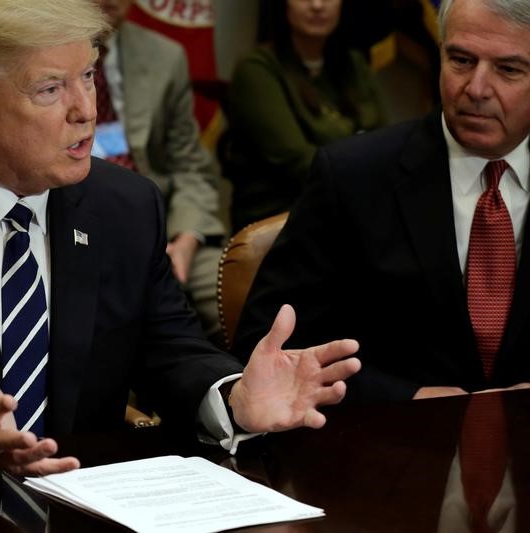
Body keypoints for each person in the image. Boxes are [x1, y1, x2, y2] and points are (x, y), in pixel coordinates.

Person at [0, 0, 360, 483]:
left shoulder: (124, 205)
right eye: (50, 89)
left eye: (87, 76)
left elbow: (168, 349)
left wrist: (230, 396)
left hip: (80, 497)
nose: (86, 109)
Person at [233, 0, 530, 402]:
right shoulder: (353, 176)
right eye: (460, 60)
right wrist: (406, 397)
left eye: (508, 69)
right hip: (390, 445)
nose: (476, 89)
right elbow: (265, 346)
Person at [93, 0, 226, 340]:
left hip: (163, 221)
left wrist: (185, 239)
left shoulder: (165, 56)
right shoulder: (40, 54)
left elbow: (190, 166)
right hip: (84, 223)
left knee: (231, 296)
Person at [223, 0, 386, 231]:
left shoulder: (354, 64)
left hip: (353, 211)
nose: (318, 5)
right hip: (281, 220)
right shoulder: (256, 68)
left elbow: (385, 143)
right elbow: (299, 163)